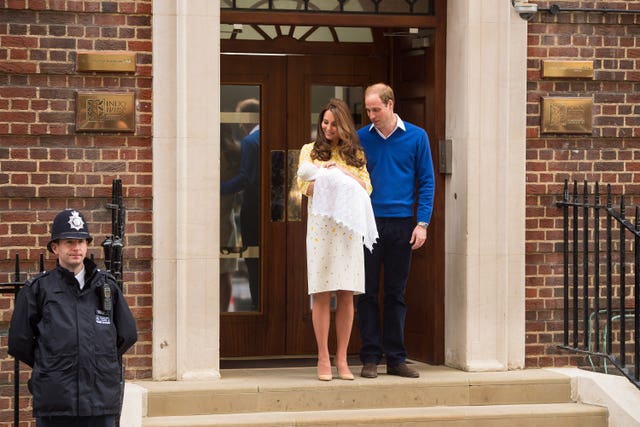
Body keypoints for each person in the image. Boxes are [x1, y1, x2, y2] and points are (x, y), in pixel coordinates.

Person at [8, 209, 138, 427]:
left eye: (81, 241)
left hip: (99, 401)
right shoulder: (38, 289)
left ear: (87, 246)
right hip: (56, 402)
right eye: (69, 242)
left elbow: (127, 335)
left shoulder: (106, 287)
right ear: (55, 247)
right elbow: (18, 342)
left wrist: (96, 359)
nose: (76, 248)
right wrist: (51, 363)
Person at [357, 83, 435, 379]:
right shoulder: (361, 138)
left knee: (396, 293)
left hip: (403, 223)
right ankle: (369, 357)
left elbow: (426, 181)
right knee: (366, 293)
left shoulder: (416, 137)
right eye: (368, 110)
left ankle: (396, 358)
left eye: (376, 109)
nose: (371, 115)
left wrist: (422, 223)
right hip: (368, 222)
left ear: (390, 105)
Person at [297, 98, 376, 381]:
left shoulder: (355, 154)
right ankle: (322, 358)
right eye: (325, 122)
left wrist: (341, 174)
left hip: (349, 230)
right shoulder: (310, 151)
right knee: (321, 292)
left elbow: (366, 187)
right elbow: (304, 185)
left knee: (346, 294)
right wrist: (328, 179)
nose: (328, 128)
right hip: (320, 231)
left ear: (343, 125)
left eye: (334, 123)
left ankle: (342, 358)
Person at [221, 98, 260, 311]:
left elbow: (245, 178)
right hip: (268, 209)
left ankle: (257, 305)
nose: (239, 125)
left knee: (253, 261)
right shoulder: (266, 136)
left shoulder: (249, 142)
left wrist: (219, 189)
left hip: (253, 208)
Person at [219, 123, 241, 311]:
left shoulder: (227, 155)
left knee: (221, 274)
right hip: (226, 221)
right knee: (224, 274)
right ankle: (223, 314)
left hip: (221, 221)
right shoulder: (235, 153)